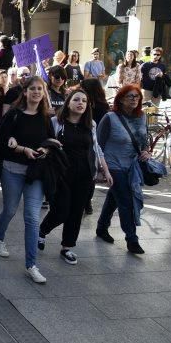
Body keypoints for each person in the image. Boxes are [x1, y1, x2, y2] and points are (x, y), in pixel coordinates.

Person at [0, 76, 55, 284]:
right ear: (25, 92)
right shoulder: (14, 114)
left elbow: (52, 142)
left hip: (35, 173)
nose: (37, 92)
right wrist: (21, 148)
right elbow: (1, 141)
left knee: (31, 217)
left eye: (40, 89)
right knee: (10, 209)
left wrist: (44, 149)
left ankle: (31, 264)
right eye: (33, 89)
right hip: (12, 169)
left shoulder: (46, 117)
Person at [38, 90, 111, 265]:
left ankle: (67, 247)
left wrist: (105, 170)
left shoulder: (90, 125)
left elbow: (97, 148)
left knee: (76, 212)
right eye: (76, 99)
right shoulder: (57, 122)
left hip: (84, 175)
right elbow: (45, 143)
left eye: (84, 100)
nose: (80, 103)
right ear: (68, 103)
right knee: (61, 210)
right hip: (61, 174)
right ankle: (42, 230)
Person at [95, 85, 149, 254]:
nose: (134, 99)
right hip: (113, 166)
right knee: (126, 201)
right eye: (129, 96)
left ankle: (101, 227)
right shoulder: (110, 118)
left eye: (137, 96)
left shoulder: (142, 117)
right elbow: (98, 145)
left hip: (132, 166)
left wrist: (146, 151)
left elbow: (143, 140)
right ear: (121, 99)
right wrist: (100, 169)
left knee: (114, 197)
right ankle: (132, 240)